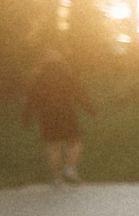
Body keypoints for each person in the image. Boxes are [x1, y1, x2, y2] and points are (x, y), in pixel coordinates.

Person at [22, 52, 94, 186]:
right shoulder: (67, 75)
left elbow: (31, 100)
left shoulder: (39, 78)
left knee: (53, 146)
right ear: (61, 62)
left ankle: (56, 178)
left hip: (48, 115)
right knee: (75, 141)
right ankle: (70, 168)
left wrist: (27, 118)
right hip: (67, 112)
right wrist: (90, 110)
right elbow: (79, 93)